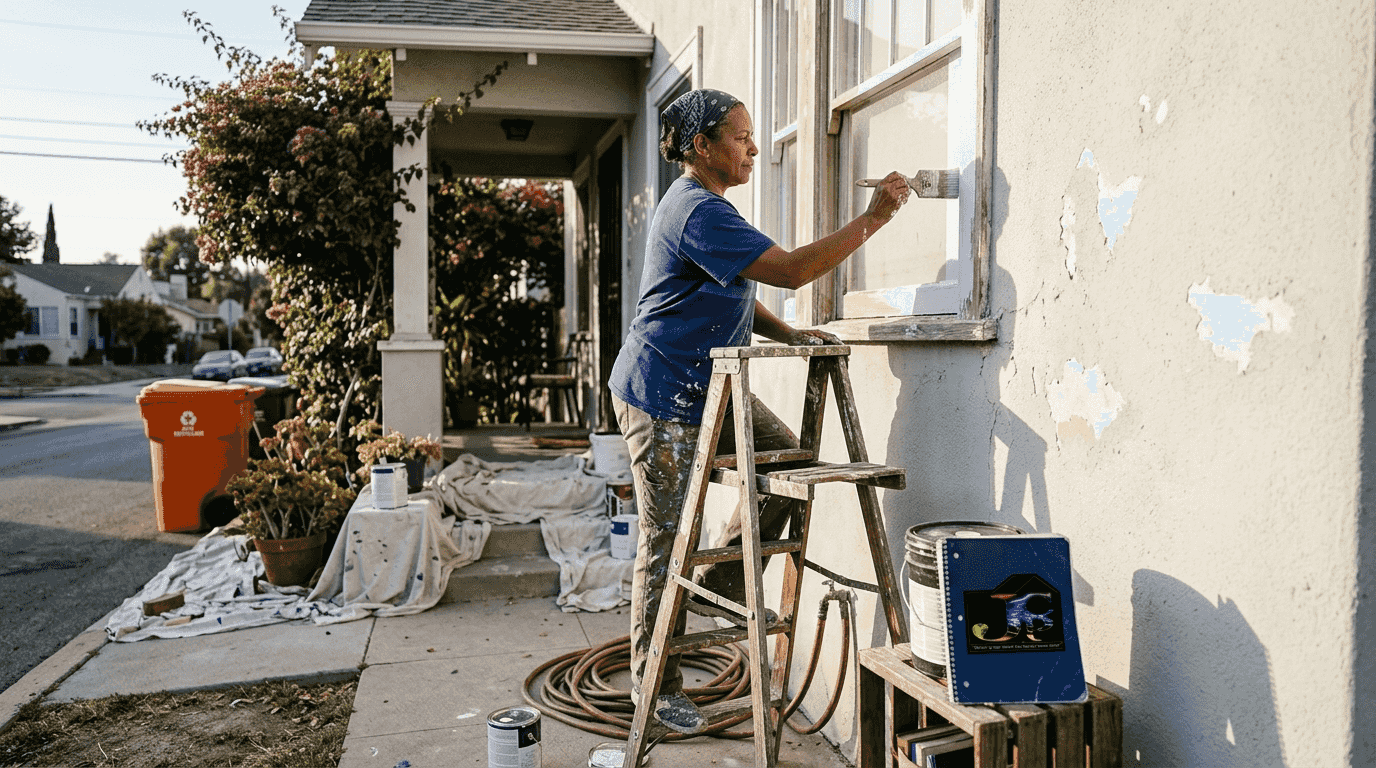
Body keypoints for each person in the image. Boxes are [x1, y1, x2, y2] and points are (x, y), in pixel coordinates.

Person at [608, 87, 910, 734]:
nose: (751, 146)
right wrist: (875, 217)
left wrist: (792, 337)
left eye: (751, 136)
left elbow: (740, 294)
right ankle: (653, 688)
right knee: (666, 542)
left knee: (789, 460)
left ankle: (719, 586)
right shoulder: (697, 210)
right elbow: (795, 270)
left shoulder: (710, 209)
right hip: (662, 397)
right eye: (740, 137)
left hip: (710, 390)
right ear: (701, 147)